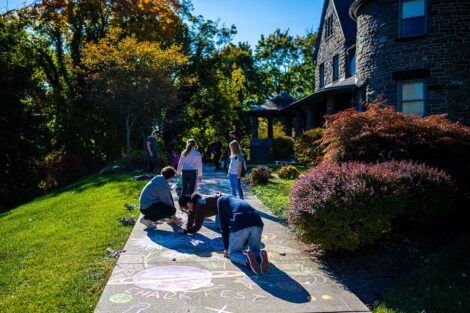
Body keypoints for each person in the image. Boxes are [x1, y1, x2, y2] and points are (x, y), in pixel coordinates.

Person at [218, 195, 269, 274]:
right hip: (257, 221)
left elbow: (224, 227)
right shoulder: (237, 201)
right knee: (254, 248)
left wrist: (226, 248)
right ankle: (259, 254)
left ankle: (246, 260)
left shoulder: (220, 201)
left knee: (233, 253)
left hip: (240, 222)